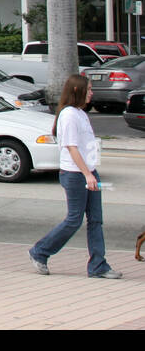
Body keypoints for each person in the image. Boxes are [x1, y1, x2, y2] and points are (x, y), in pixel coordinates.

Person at [29, 75, 121, 278]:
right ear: (77, 91)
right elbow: (71, 147)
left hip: (88, 172)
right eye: (88, 89)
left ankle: (98, 266)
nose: (91, 93)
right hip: (75, 174)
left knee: (96, 220)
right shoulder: (69, 115)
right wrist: (87, 174)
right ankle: (40, 252)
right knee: (74, 220)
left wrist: (91, 172)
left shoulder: (80, 113)